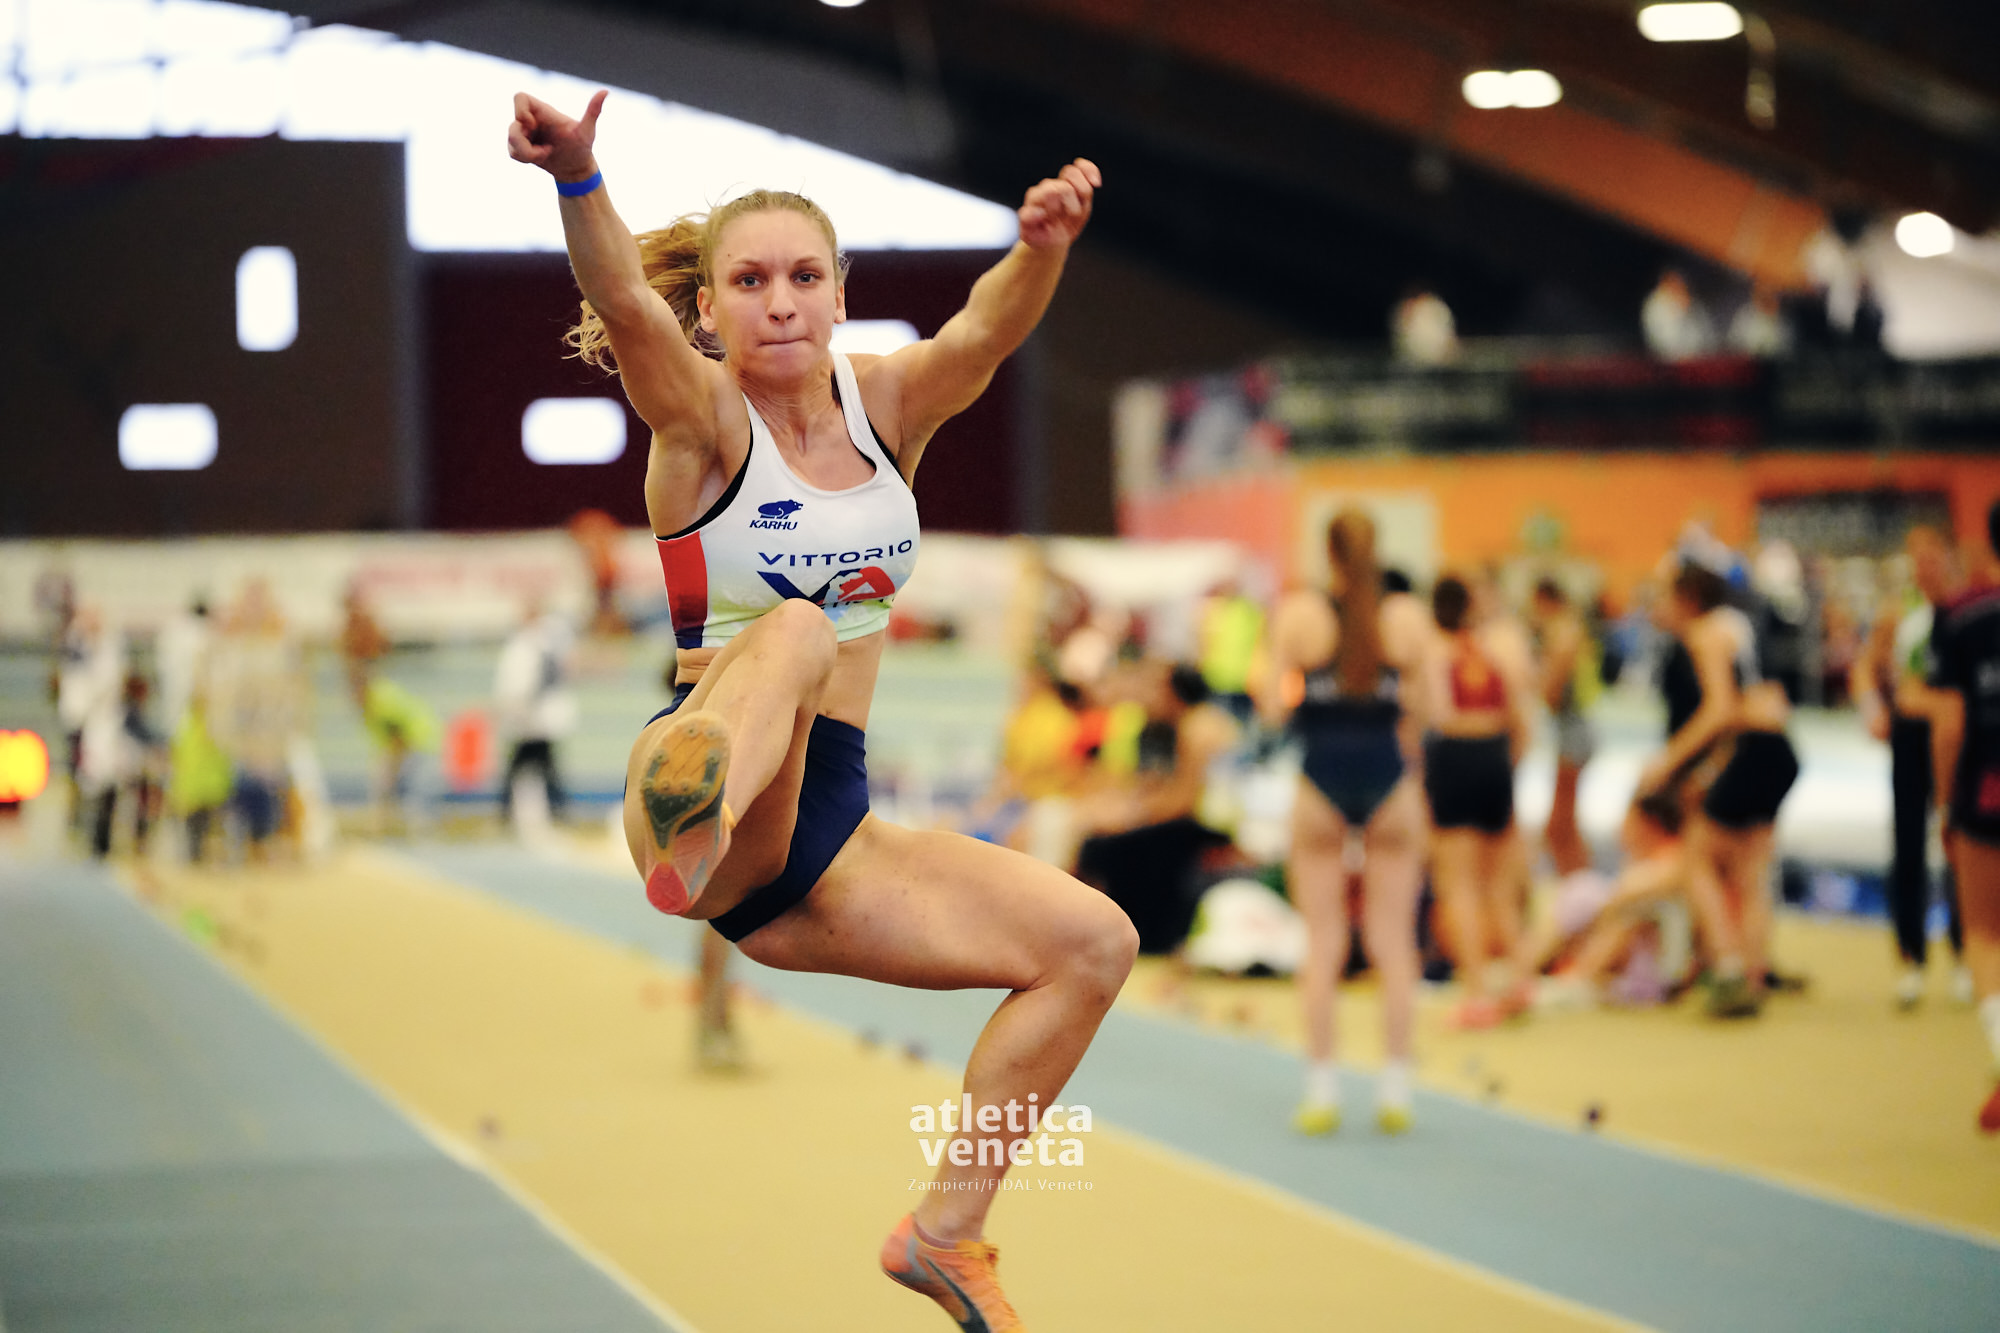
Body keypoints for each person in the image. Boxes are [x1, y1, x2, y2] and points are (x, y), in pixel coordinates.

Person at [509, 88, 1135, 1330]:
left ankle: (944, 1233)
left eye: (803, 277)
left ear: (841, 293)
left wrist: (1040, 248)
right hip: (706, 768)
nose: (780, 301)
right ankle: (692, 823)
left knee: (1092, 944)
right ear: (708, 311)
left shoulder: (888, 404)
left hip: (827, 834)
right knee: (795, 627)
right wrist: (577, 175)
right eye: (748, 282)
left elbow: (983, 334)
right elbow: (623, 304)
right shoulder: (700, 421)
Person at [1265, 509, 1431, 1135]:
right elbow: (1430, 709)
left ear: (1327, 553)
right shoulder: (1405, 618)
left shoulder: (1300, 615)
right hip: (1389, 779)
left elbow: (1271, 706)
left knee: (1324, 941)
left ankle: (1322, 1091)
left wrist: (1313, 696)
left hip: (1321, 778)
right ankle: (1395, 1090)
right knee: (1393, 941)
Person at [1640, 561, 1799, 1019]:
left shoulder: (1704, 634)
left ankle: (1728, 965)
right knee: (1751, 868)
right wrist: (1711, 767)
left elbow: (1720, 710)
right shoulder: (1737, 625)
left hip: (1754, 749)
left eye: (1665, 598)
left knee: (1697, 857)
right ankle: (1752, 969)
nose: (1658, 608)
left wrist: (1667, 762)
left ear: (1688, 599)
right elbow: (1756, 697)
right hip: (1778, 750)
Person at [1852, 528, 1968, 1007]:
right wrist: (1872, 708)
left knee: (1960, 838)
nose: (1924, 567)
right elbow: (1865, 666)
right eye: (1916, 559)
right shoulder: (1897, 612)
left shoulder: (1965, 609)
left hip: (1956, 733)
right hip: (1911, 735)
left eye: (1932, 557)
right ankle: (1911, 957)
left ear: (1948, 558)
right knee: (1907, 843)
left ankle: (1964, 951)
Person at [1425, 575, 1534, 1028]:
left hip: (1455, 755)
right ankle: (1521, 980)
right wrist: (1507, 766)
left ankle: (1476, 993)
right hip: (1495, 756)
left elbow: (1435, 714)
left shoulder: (1435, 650)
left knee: (1460, 885)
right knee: (1500, 886)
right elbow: (1522, 719)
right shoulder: (1504, 645)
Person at [1927, 500, 2000, 1131]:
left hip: (1986, 788)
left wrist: (1945, 805)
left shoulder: (1963, 619)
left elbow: (1950, 725)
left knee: (1984, 933)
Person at [1530, 577, 1599, 878]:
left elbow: (1551, 691)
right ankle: (1575, 881)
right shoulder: (1571, 629)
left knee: (1561, 825)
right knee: (1561, 823)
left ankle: (1579, 882)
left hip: (1575, 730)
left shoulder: (1563, 633)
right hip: (1574, 729)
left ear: (1544, 601)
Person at [494, 602, 577, 830]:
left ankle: (510, 811)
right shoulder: (539, 642)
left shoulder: (538, 643)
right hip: (534, 718)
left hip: (535, 718)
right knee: (540, 767)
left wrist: (522, 709)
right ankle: (557, 810)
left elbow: (533, 682)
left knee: (532, 766)